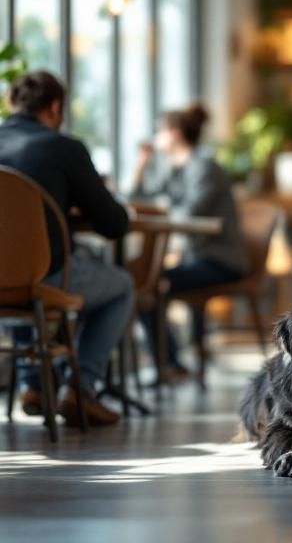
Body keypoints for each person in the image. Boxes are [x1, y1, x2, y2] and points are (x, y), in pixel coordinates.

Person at [0, 71, 131, 426]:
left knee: (16, 271)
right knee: (121, 286)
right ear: (55, 107)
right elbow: (113, 224)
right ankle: (79, 388)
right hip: (46, 277)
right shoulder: (64, 148)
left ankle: (34, 386)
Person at [131, 103, 248, 380]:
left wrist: (161, 209)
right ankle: (171, 364)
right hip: (197, 258)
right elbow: (135, 197)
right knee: (146, 283)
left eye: (160, 131)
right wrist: (142, 163)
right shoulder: (173, 168)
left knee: (153, 286)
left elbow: (191, 213)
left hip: (222, 261)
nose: (156, 136)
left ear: (173, 134)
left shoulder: (205, 168)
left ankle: (170, 365)